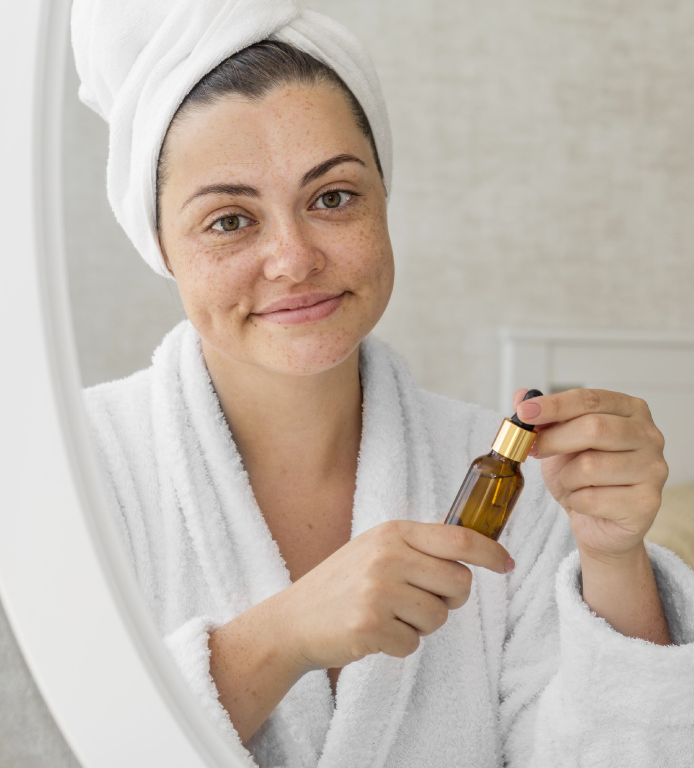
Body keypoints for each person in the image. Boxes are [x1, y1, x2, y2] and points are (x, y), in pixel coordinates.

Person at [72, 1, 694, 766]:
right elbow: (19, 742)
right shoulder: (72, 469)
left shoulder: (509, 480)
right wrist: (281, 637)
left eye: (332, 198)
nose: (294, 259)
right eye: (230, 220)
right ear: (161, 244)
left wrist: (613, 561)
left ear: (383, 199)